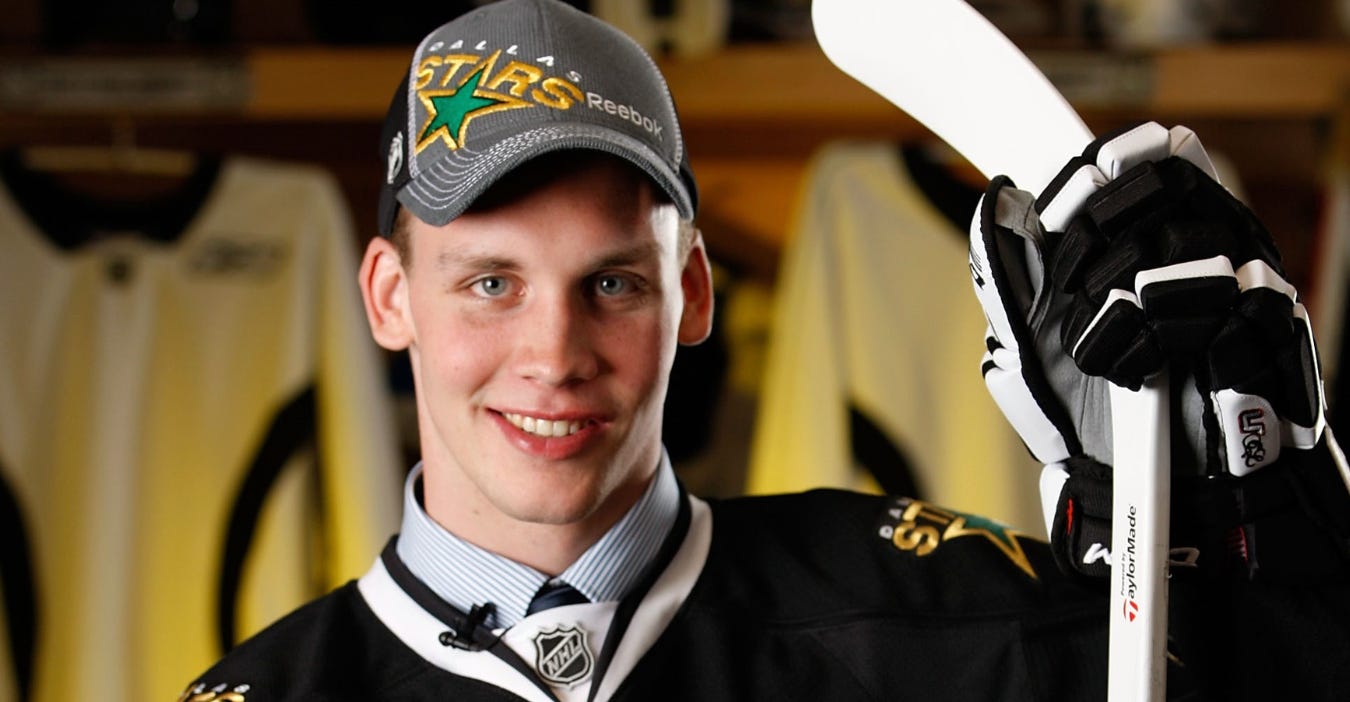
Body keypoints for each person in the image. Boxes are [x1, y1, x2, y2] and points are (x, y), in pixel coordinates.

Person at [179, 1, 1350, 699]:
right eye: (491, 283)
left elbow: (1268, 674)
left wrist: (1237, 521)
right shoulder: (268, 692)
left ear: (691, 292)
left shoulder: (941, 621)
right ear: (390, 298)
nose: (554, 353)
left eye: (613, 283)